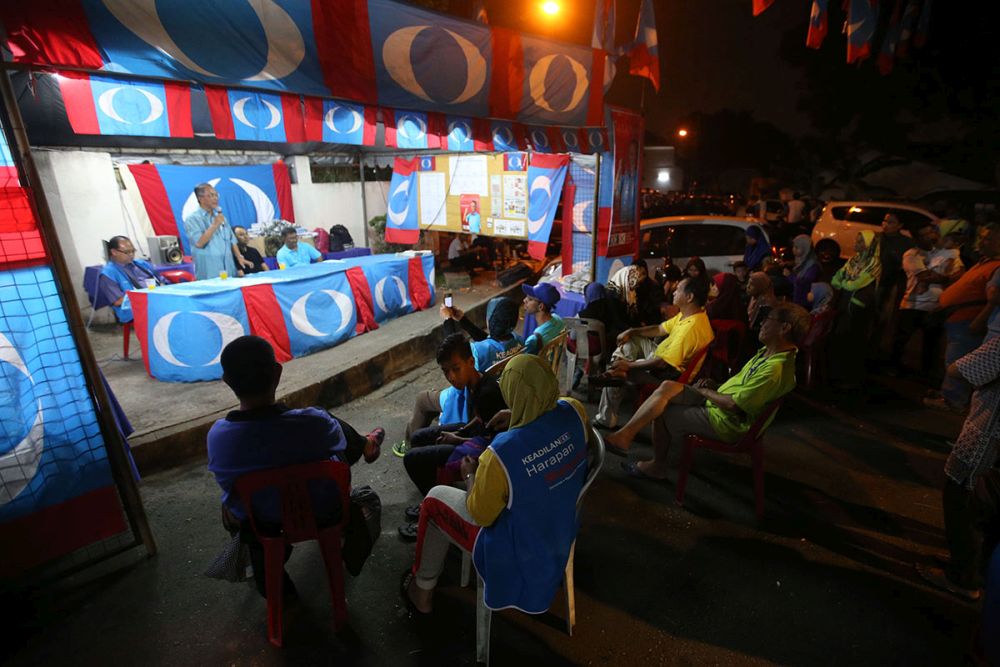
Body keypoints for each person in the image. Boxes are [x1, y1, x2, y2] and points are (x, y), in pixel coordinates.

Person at [402, 355, 589, 615]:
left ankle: (421, 590)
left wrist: (469, 475)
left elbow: (480, 514)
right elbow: (550, 412)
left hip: (517, 548)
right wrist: (519, 412)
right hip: (560, 520)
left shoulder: (500, 453)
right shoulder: (575, 410)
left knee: (433, 500)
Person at [206, 336, 384, 598]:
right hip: (322, 513)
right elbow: (338, 447)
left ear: (226, 381)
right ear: (277, 372)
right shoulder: (312, 423)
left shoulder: (219, 438)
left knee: (230, 501)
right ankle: (367, 444)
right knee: (334, 438)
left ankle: (280, 593)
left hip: (263, 525)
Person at [605, 302, 808, 465]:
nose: (762, 323)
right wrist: (715, 386)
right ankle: (624, 436)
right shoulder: (767, 353)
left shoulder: (776, 369)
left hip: (725, 420)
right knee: (667, 386)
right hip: (716, 399)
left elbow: (734, 405)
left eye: (768, 319)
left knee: (662, 410)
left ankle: (657, 466)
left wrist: (705, 392)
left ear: (785, 328)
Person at [917, 335, 1000, 601]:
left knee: (963, 495)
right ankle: (980, 568)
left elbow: (965, 368)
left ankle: (963, 575)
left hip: (992, 431)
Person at [594, 277, 715, 429]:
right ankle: (616, 371)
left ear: (689, 297)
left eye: (679, 289)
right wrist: (632, 331)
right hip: (660, 356)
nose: (674, 291)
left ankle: (609, 404)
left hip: (668, 374)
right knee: (632, 341)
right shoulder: (689, 314)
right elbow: (659, 329)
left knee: (624, 368)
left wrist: (629, 365)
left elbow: (662, 363)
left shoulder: (692, 328)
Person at [925, 224, 1000, 412]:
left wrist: (978, 322)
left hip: (968, 321)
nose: (982, 242)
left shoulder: (997, 267)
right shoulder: (985, 262)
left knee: (958, 363)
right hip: (958, 319)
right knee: (953, 359)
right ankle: (949, 395)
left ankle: (953, 400)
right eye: (982, 237)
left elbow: (993, 300)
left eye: (988, 239)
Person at [393, 333, 501, 458]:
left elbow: (490, 444)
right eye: (446, 371)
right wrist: (461, 431)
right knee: (417, 438)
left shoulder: (486, 395)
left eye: (456, 369)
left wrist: (457, 439)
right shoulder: (472, 382)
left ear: (471, 362)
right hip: (470, 433)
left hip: (477, 454)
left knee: (412, 458)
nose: (451, 377)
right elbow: (479, 419)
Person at [890, 220, 962, 379]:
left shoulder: (943, 252)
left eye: (931, 231)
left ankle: (926, 374)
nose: (931, 236)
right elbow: (924, 276)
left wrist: (948, 277)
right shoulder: (911, 254)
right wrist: (947, 278)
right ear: (917, 238)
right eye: (925, 234)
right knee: (902, 340)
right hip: (913, 305)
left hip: (936, 306)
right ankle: (893, 369)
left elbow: (960, 273)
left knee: (931, 344)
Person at [828, 231, 882, 390]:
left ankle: (852, 379)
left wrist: (844, 283)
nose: (856, 243)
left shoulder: (874, 263)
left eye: (860, 241)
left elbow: (858, 283)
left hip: (860, 307)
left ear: (868, 245)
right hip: (845, 304)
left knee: (854, 341)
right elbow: (836, 278)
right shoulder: (853, 260)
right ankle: (838, 375)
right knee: (841, 338)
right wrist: (844, 282)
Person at [440, 296, 523, 371]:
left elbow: (454, 351)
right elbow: (489, 341)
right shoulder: (519, 340)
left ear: (490, 321)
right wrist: (463, 320)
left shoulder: (478, 351)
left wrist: (448, 320)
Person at [98, 235, 165, 323]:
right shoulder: (108, 273)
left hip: (156, 298)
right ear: (114, 252)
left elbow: (161, 279)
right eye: (127, 252)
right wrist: (148, 297)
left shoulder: (141, 264)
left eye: (133, 251)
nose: (131, 255)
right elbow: (117, 301)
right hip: (134, 308)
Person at [183, 183, 239, 280]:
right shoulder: (192, 219)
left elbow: (231, 239)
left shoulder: (221, 218)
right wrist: (214, 225)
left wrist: (239, 256)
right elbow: (199, 243)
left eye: (216, 195)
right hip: (210, 271)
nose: (215, 198)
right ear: (200, 198)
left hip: (229, 270)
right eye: (211, 195)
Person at [521, 282, 565, 354]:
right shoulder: (558, 319)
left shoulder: (533, 340)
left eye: (530, 299)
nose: (524, 300)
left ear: (540, 306)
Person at [787, 235, 821, 309]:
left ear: (806, 249)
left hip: (804, 300)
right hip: (798, 295)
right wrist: (787, 263)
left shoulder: (813, 266)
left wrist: (789, 275)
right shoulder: (802, 258)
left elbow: (803, 282)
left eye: (797, 248)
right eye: (793, 247)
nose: (793, 250)